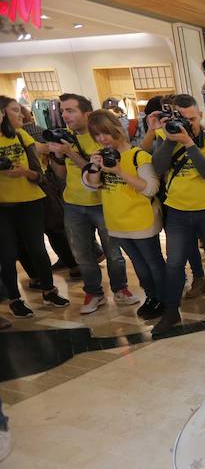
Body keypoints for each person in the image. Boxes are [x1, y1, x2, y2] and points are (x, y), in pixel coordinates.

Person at [47, 93, 138, 315]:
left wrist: (70, 152)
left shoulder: (101, 137)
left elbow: (96, 168)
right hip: (73, 203)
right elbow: (60, 175)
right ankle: (93, 292)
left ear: (86, 113)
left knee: (113, 251)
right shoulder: (64, 138)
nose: (64, 115)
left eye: (70, 110)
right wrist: (58, 156)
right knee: (82, 254)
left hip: (104, 202)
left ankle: (120, 288)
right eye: (62, 110)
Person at [150, 93, 205, 335]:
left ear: (200, 116)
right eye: (182, 118)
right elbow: (156, 168)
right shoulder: (166, 139)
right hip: (177, 211)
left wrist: (188, 142)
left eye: (192, 119)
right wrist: (169, 139)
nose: (187, 124)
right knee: (174, 264)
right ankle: (171, 311)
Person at [83, 110, 166, 320]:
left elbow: (150, 188)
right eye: (97, 136)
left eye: (105, 133)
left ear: (116, 129)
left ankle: (165, 299)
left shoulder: (138, 155)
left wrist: (119, 171)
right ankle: (151, 296)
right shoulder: (100, 159)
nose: (102, 139)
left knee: (153, 263)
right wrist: (94, 165)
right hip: (117, 222)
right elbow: (91, 186)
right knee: (138, 265)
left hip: (142, 221)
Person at [0, 96, 70, 318]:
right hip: (3, 206)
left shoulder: (21, 135)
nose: (21, 114)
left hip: (31, 201)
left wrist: (23, 172)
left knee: (38, 249)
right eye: (14, 110)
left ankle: (49, 290)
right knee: (7, 255)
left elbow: (37, 174)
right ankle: (14, 299)